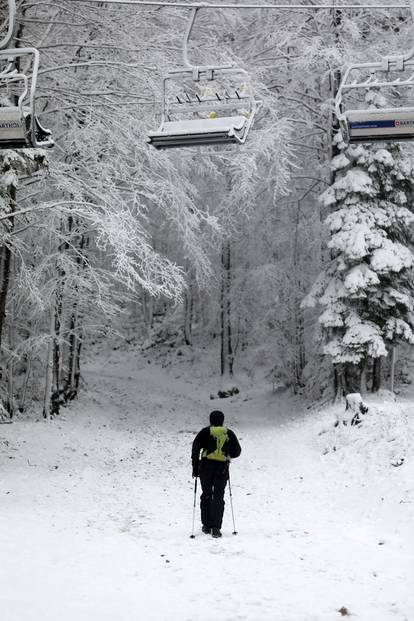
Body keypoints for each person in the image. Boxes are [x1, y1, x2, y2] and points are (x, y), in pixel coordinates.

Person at [191, 410, 241, 538]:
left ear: (210, 420)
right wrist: (227, 453)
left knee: (206, 494)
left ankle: (206, 525)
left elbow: (195, 448)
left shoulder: (205, 432)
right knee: (219, 496)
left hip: (205, 467)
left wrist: (195, 467)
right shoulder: (228, 433)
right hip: (221, 468)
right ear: (222, 420)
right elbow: (237, 451)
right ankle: (216, 528)